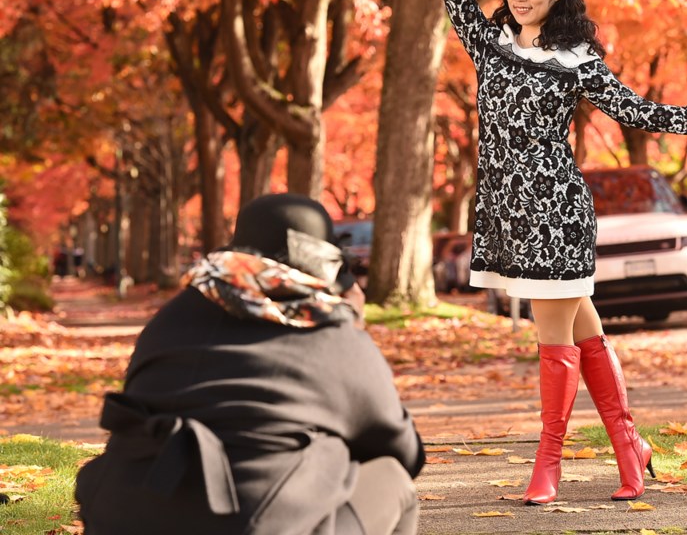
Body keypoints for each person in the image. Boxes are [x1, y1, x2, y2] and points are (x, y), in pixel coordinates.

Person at [440, 0, 687, 505]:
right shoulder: (488, 41)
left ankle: (549, 463)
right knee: (584, 327)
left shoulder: (576, 58)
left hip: (556, 210)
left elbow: (631, 108)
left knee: (553, 334)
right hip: (504, 208)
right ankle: (631, 447)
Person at [75, 193, 425, 535]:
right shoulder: (330, 333)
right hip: (255, 520)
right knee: (391, 478)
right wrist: (352, 327)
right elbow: (404, 452)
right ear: (324, 269)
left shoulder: (168, 319)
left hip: (127, 515)